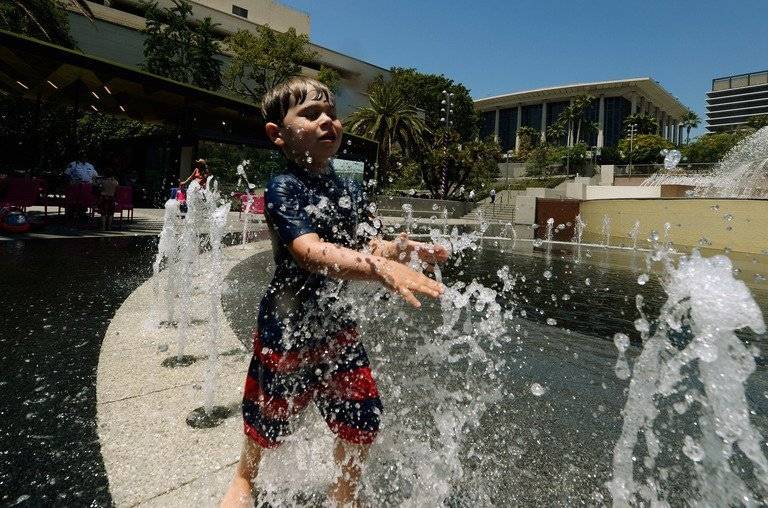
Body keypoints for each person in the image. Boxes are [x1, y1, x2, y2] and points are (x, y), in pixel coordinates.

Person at [221, 76, 448, 507]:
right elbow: (309, 252)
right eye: (310, 114)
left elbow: (371, 243)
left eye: (332, 113)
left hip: (336, 322)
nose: (327, 121)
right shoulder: (284, 187)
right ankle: (244, 476)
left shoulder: (350, 188)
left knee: (361, 412)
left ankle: (345, 493)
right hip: (287, 323)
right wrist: (381, 268)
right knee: (270, 411)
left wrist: (401, 249)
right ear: (278, 134)